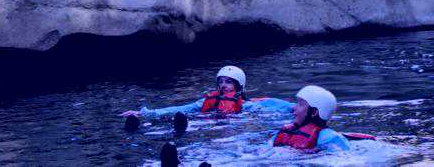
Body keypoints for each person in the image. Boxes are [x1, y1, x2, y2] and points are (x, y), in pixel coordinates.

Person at [122, 66, 290, 119]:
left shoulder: (248, 106)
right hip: (209, 123)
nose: (223, 85)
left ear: (239, 86)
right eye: (221, 82)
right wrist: (144, 113)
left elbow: (275, 105)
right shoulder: (205, 102)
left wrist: (296, 107)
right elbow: (179, 109)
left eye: (229, 82)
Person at [270, 85, 350, 152]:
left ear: (314, 112)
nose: (294, 107)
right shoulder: (285, 133)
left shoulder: (329, 138)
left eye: (300, 104)